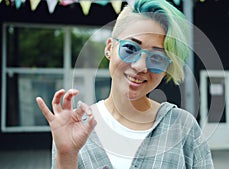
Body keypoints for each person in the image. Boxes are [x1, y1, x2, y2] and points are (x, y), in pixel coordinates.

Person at [36, 0, 214, 168]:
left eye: (157, 58)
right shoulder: (74, 127)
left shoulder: (182, 126)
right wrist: (66, 155)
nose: (140, 66)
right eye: (130, 48)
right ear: (109, 48)